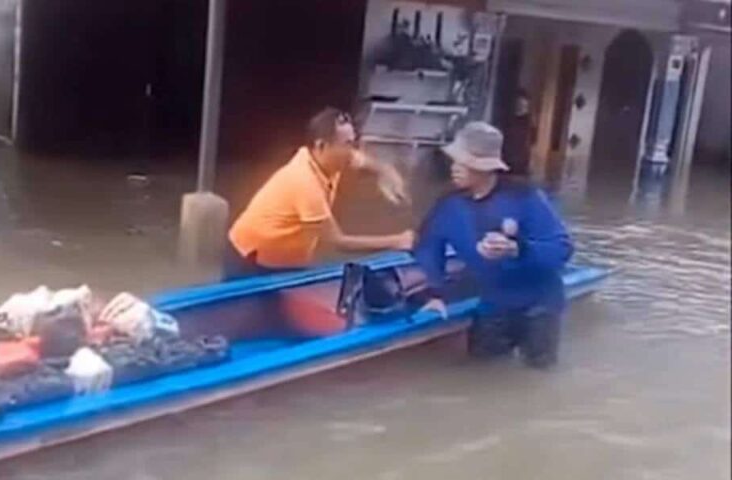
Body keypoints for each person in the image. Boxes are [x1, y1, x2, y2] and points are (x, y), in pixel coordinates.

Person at [414, 122, 573, 368]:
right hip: (493, 303)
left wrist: (517, 249)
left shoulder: (525, 197)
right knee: (482, 372)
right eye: (454, 160)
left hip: (539, 304)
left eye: (463, 162)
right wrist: (436, 293)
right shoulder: (448, 205)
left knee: (537, 377)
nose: (454, 168)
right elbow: (428, 248)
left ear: (484, 167)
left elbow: (562, 248)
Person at [226, 107, 415, 280]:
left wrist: (386, 173)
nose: (352, 151)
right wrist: (397, 241)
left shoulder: (329, 158)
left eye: (353, 142)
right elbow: (338, 241)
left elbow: (364, 162)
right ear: (322, 146)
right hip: (252, 259)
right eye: (347, 144)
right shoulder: (304, 182)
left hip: (287, 260)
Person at [502, 90, 535, 177]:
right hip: (508, 159)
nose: (522, 107)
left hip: (521, 161)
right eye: (519, 104)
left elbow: (530, 140)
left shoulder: (528, 121)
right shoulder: (507, 119)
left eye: (525, 105)